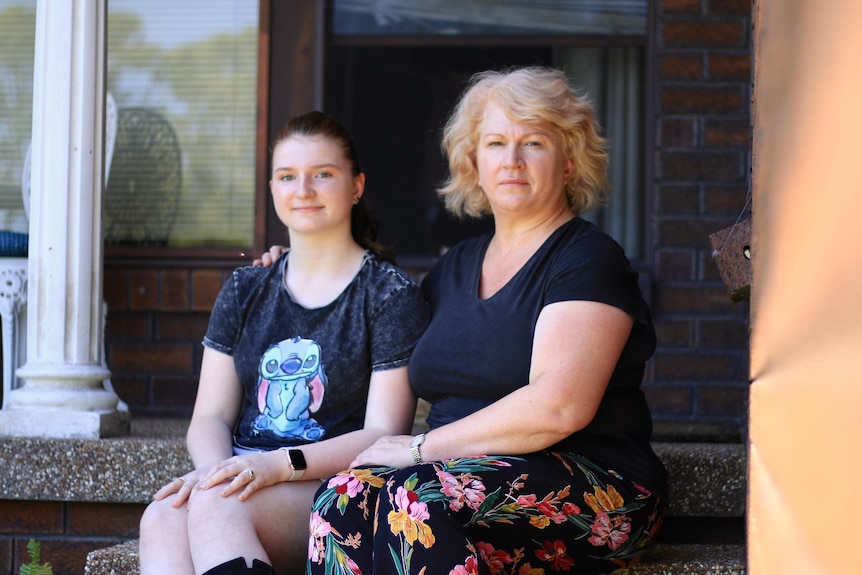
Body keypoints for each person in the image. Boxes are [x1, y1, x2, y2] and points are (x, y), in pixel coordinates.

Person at [300, 66, 668, 575]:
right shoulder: (452, 267)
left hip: (594, 483)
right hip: (452, 478)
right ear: (473, 162)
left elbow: (558, 407)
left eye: (534, 142)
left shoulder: (586, 259)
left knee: (416, 500)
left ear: (568, 163)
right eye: (495, 143)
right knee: (340, 498)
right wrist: (289, 271)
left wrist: (418, 448)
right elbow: (361, 313)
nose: (512, 160)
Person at [138, 111, 429, 575]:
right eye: (288, 176)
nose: (304, 189)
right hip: (245, 476)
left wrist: (277, 466)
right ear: (272, 188)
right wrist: (217, 474)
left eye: (323, 175)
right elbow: (210, 415)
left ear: (356, 186)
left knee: (215, 508)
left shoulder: (389, 295)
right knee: (161, 518)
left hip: (337, 487)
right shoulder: (245, 287)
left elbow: (382, 434)